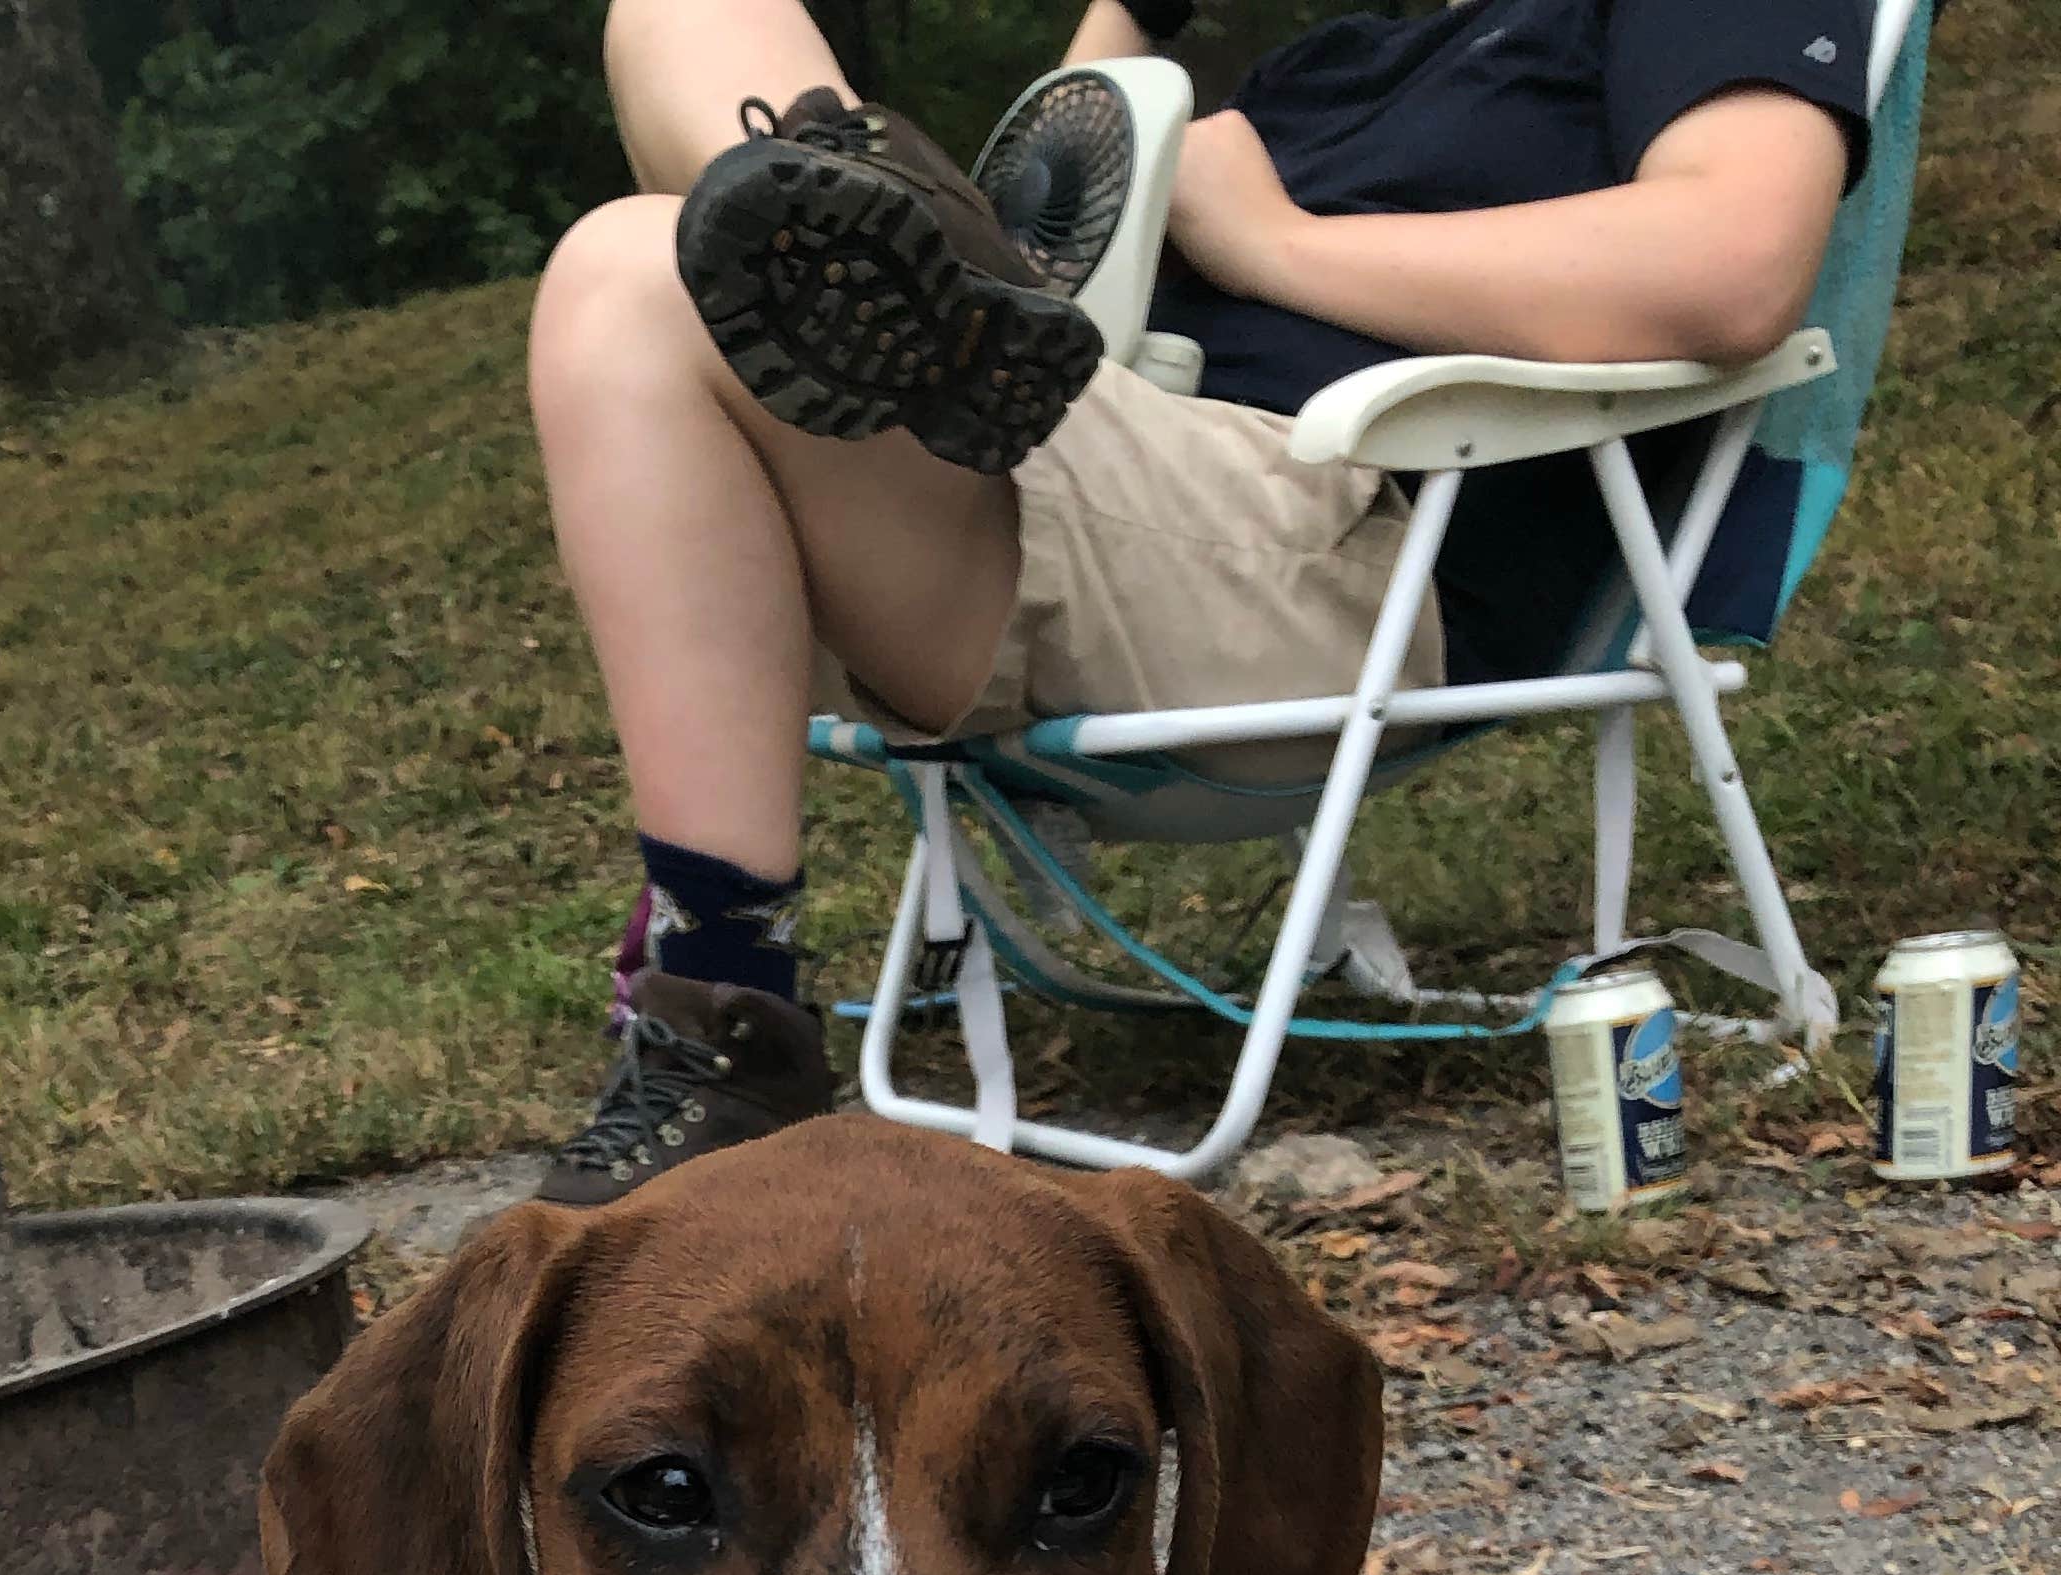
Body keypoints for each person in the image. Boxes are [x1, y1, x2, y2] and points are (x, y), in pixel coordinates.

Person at [529, 0, 1865, 1205]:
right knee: (689, 11)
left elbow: (1733, 263)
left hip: (1327, 546)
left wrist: (1271, 238)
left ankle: (722, 1009)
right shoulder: (1337, 45)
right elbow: (1064, 209)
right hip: (1105, 451)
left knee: (631, 276)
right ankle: (942, 314)